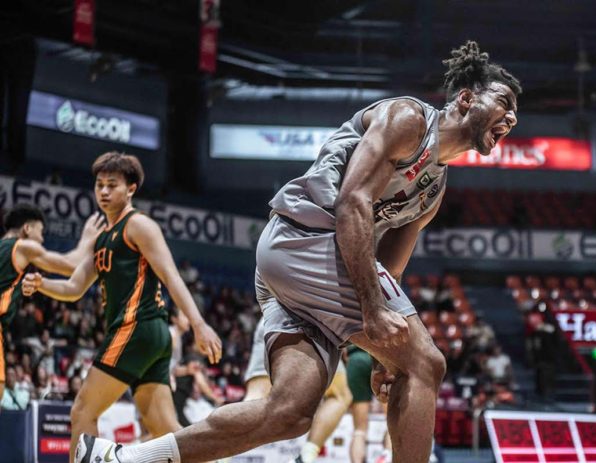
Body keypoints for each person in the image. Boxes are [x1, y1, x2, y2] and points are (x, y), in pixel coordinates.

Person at [73, 40, 520, 463]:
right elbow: (352, 203)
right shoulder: (409, 120)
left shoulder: (434, 190)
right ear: (465, 98)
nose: (512, 118)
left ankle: (122, 456)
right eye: (504, 103)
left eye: (516, 113)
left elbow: (390, 273)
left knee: (289, 412)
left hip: (304, 269)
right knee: (428, 363)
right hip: (308, 239)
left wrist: (388, 354)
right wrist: (378, 323)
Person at [21, 152, 223, 462]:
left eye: (111, 185)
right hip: (150, 336)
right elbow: (74, 288)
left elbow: (171, 276)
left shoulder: (138, 225)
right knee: (164, 428)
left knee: (82, 411)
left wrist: (198, 323)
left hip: (136, 327)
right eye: (99, 185)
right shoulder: (102, 238)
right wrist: (42, 284)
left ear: (131, 188)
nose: (103, 192)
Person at [0, 203, 102, 403]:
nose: (42, 239)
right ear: (27, 229)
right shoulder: (22, 246)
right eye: (41, 232)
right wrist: (87, 239)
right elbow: (71, 265)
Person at [243, 319, 353, 463]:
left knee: (256, 396)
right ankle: (304, 458)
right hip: (313, 320)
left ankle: (220, 453)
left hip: (270, 318)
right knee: (340, 395)